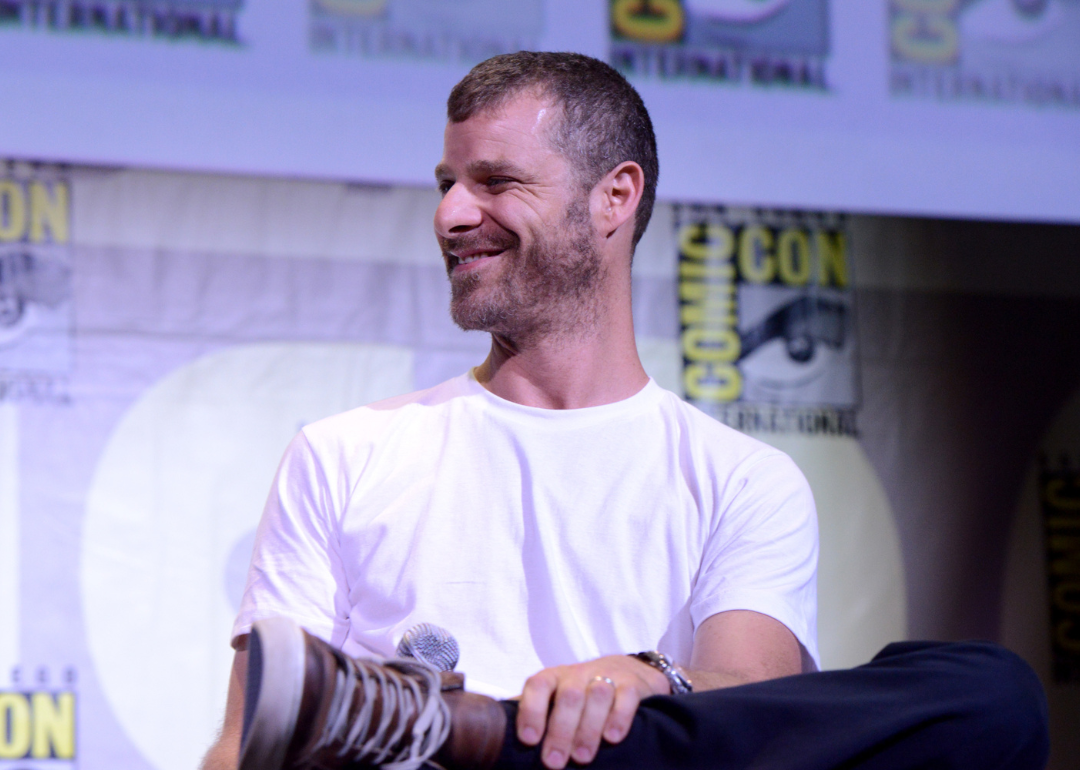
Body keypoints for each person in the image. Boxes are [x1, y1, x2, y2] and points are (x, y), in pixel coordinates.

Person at [201, 52, 1048, 770]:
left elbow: (753, 712)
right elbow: (246, 745)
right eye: (448, 183)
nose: (452, 215)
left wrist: (651, 678)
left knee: (994, 697)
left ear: (615, 198)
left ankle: (471, 734)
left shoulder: (741, 481)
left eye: (494, 181)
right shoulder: (344, 455)